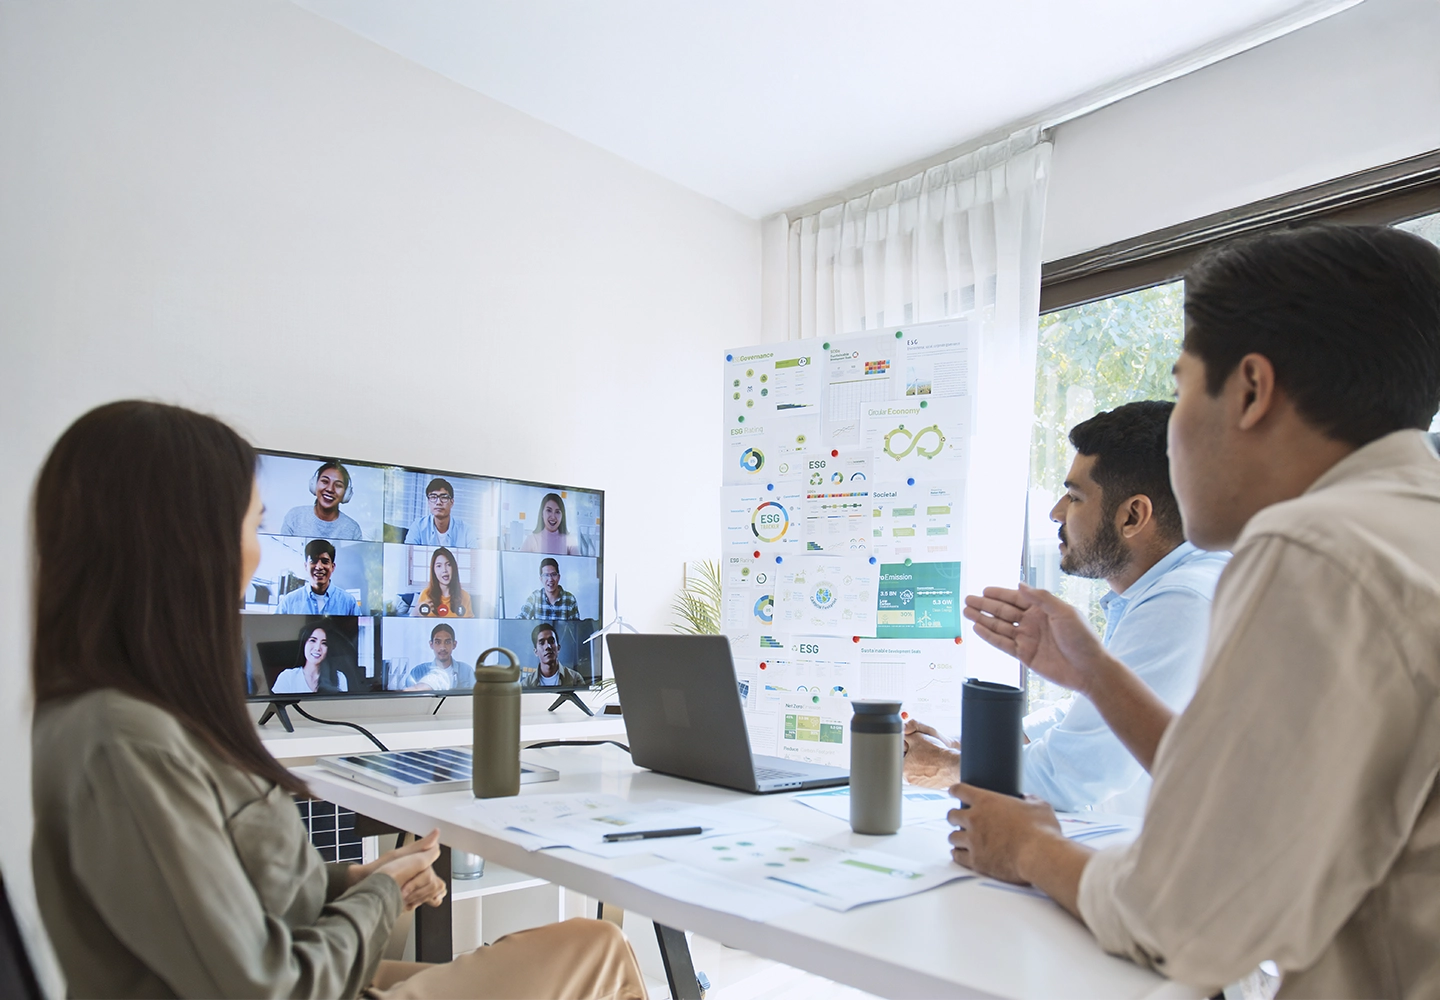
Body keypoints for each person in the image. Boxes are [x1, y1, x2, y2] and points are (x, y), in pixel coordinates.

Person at [950, 225, 1440, 999]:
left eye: (1181, 389)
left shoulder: (1315, 546)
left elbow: (1180, 914)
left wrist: (1027, 849)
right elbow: (1259, 803)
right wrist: (1094, 671)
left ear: (1250, 390)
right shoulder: (1408, 530)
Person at [29, 400, 647, 1000]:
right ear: (188, 543)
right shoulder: (127, 741)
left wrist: (357, 878)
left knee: (595, 947)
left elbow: (233, 890)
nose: (255, 553)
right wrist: (379, 900)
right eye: (252, 524)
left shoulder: (129, 716)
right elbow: (266, 983)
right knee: (596, 947)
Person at [903, 401, 1228, 812]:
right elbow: (1092, 717)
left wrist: (949, 767)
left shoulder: (1182, 602)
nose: (1056, 512)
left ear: (1133, 516)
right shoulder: (1170, 590)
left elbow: (1072, 776)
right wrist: (963, 748)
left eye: (1074, 497)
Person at [281, 459, 365, 540]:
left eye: (338, 485)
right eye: (325, 481)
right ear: (314, 484)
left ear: (346, 494)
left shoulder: (352, 529)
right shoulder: (295, 516)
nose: (330, 489)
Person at [277, 537, 362, 615]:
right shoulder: (289, 602)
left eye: (325, 561)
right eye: (313, 561)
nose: (319, 567)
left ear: (332, 567)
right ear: (306, 566)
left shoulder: (349, 603)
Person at [391, 623, 476, 692]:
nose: (442, 647)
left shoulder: (467, 671)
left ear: (454, 645)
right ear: (431, 645)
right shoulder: (417, 672)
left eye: (447, 642)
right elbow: (408, 701)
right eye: (438, 642)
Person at [271, 621, 349, 695]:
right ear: (304, 643)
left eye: (324, 643)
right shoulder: (288, 677)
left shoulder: (339, 677)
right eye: (313, 640)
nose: (317, 648)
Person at [404, 478, 476, 548]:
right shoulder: (418, 526)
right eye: (433, 497)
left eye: (444, 497)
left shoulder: (466, 530)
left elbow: (474, 558)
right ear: (428, 502)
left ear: (452, 502)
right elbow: (408, 554)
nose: (438, 502)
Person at [409, 546, 474, 618]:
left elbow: (470, 626)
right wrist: (416, 611)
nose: (444, 570)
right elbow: (413, 625)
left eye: (448, 565)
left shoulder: (465, 596)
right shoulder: (425, 594)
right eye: (439, 566)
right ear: (433, 570)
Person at [521, 622, 585, 688]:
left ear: (558, 648)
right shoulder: (526, 684)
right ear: (536, 652)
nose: (547, 646)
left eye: (551, 641)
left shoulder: (575, 679)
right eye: (542, 643)